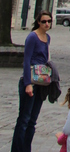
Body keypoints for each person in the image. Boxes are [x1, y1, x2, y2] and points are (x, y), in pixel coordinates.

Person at [11, 9, 52, 152]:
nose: (47, 24)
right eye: (44, 21)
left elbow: (45, 59)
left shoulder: (48, 38)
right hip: (29, 82)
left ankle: (26, 148)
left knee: (32, 121)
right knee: (24, 119)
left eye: (49, 21)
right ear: (38, 22)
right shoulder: (32, 37)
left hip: (41, 82)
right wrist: (28, 84)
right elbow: (27, 60)